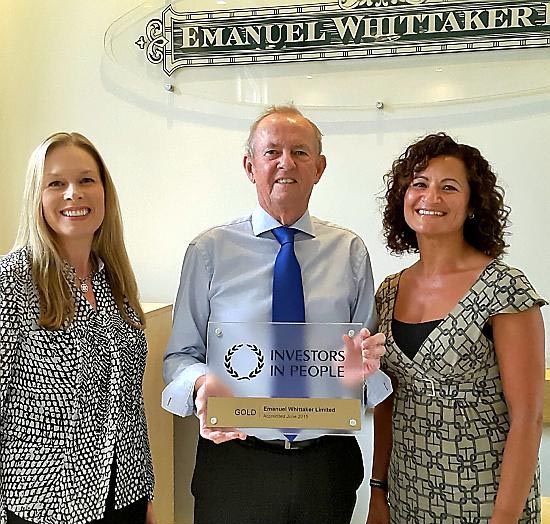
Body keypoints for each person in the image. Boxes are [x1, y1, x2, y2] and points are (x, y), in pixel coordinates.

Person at [163, 104, 389, 524]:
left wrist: (365, 369)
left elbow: (360, 369)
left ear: (319, 168)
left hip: (326, 464)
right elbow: (179, 356)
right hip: (235, 463)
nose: (286, 162)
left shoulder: (350, 252)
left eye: (300, 152)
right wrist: (198, 384)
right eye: (272, 152)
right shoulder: (209, 252)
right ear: (250, 167)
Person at [367, 132, 546, 524]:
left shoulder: (504, 288)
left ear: (471, 205)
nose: (431, 197)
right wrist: (377, 491)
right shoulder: (388, 291)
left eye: (448, 187)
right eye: (419, 184)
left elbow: (528, 416)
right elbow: (387, 401)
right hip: (406, 496)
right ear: (403, 197)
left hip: (485, 501)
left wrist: (503, 518)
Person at [0, 133, 155, 524]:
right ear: (38, 196)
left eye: (87, 180)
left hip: (126, 497)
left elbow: (128, 404)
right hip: (45, 507)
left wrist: (145, 494)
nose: (74, 193)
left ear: (104, 191)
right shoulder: (12, 281)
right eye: (56, 183)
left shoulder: (115, 280)